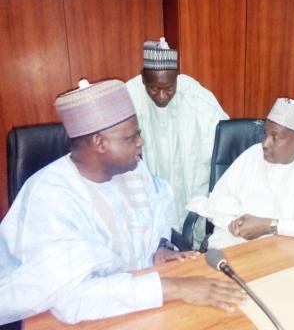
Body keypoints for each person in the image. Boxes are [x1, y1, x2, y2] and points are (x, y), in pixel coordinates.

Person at [0, 79, 245, 325]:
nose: (141, 143)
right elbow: (71, 301)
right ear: (99, 142)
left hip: (137, 303)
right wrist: (175, 288)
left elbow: (149, 227)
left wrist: (158, 250)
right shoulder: (51, 196)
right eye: (131, 138)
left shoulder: (132, 171)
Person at [186, 98, 294, 249]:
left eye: (275, 137)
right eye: (265, 134)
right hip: (236, 249)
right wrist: (235, 221)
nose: (265, 143)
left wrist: (273, 226)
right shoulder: (252, 155)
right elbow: (219, 198)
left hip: (285, 255)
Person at [126, 38, 228, 241]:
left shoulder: (196, 97)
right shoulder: (129, 96)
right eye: (154, 89)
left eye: (169, 89)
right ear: (143, 78)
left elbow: (223, 141)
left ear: (177, 80)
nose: (162, 96)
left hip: (189, 192)